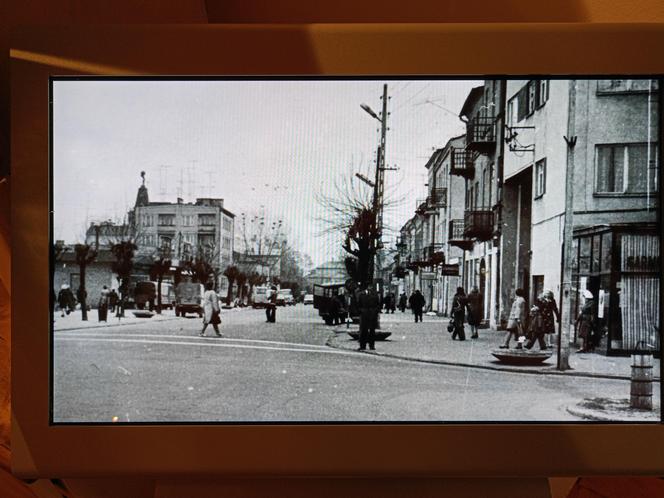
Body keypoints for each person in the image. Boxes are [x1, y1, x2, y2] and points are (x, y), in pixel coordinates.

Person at [357, 284, 380, 351]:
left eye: (371, 287)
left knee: (372, 331)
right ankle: (362, 346)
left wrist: (375, 311)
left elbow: (378, 304)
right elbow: (358, 304)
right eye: (369, 287)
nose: (370, 288)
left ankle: (372, 346)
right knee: (363, 330)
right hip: (364, 315)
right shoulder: (361, 294)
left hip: (372, 315)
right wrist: (361, 311)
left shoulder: (375, 295)